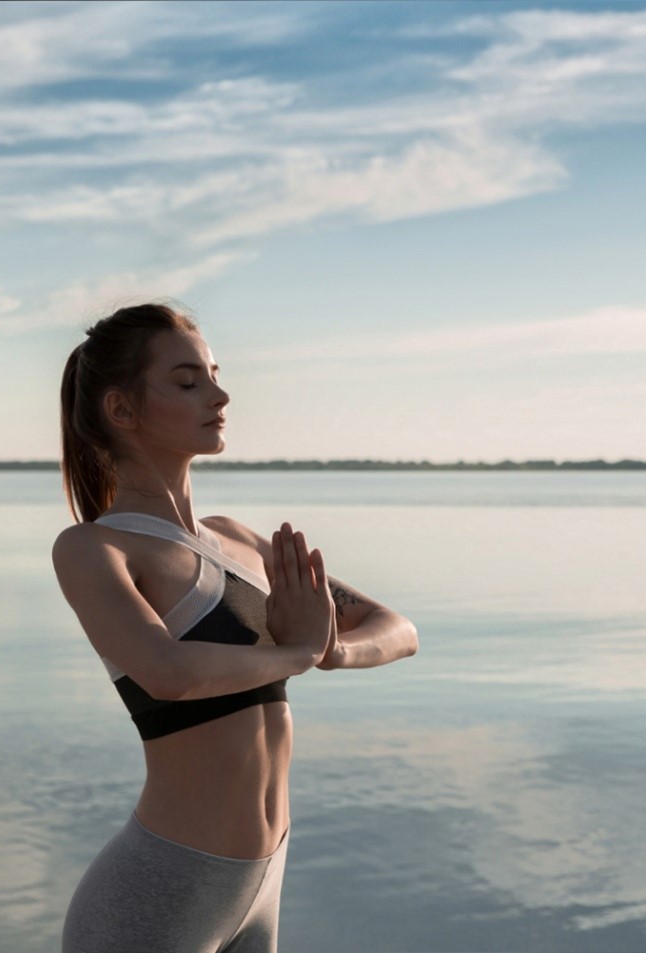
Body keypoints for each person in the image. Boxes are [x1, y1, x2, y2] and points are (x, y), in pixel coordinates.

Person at [53, 302, 418, 952]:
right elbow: (168, 672)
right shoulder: (95, 548)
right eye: (188, 381)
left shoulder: (240, 541)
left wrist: (333, 648)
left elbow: (396, 627)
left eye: (216, 375)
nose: (219, 394)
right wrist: (300, 651)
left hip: (262, 880)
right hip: (159, 889)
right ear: (122, 409)